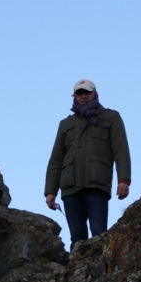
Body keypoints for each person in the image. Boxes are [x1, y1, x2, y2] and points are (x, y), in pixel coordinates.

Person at [45, 79, 131, 250]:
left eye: (87, 93)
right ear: (74, 96)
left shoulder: (111, 118)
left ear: (95, 93)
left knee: (99, 235)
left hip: (97, 184)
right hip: (70, 187)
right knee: (77, 239)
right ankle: (78, 267)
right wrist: (50, 191)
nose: (83, 96)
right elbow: (56, 160)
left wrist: (124, 180)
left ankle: (101, 267)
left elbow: (121, 151)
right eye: (79, 93)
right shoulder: (65, 124)